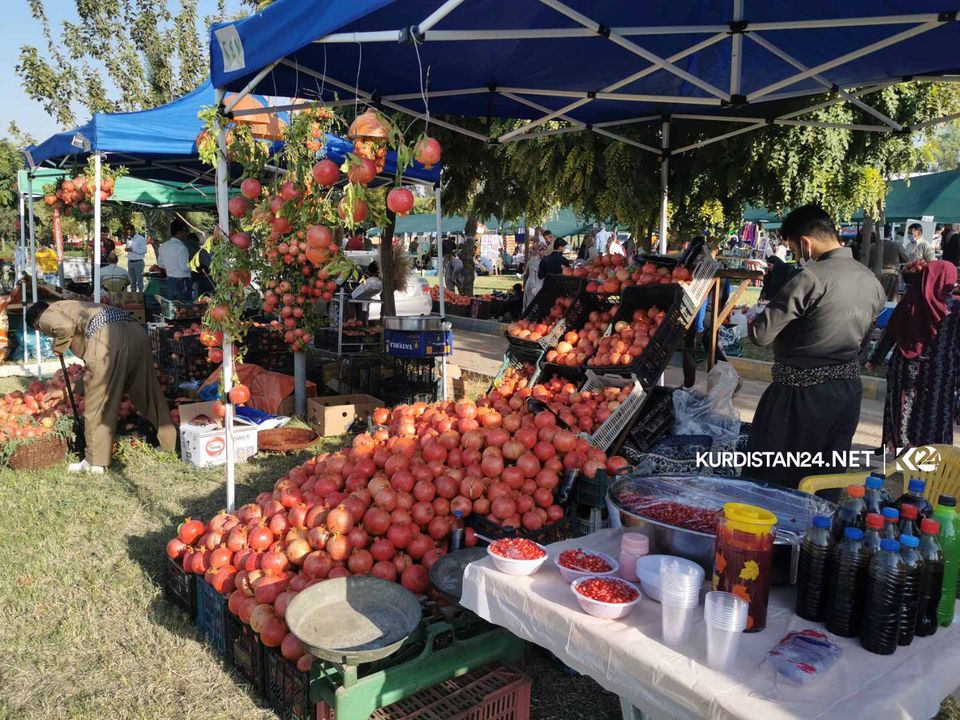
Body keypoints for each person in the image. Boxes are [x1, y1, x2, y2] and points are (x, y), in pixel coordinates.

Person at [745, 205, 885, 489]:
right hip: (846, 393)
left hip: (799, 397)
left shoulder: (811, 278)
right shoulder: (871, 280)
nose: (797, 257)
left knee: (776, 481)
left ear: (805, 243)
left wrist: (754, 317)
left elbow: (761, 334)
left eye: (795, 250)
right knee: (824, 480)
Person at [25, 300, 176, 473]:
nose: (47, 335)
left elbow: (65, 327)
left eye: (43, 332)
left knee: (98, 403)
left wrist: (58, 347)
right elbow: (98, 372)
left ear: (38, 325)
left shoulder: (47, 314)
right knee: (149, 393)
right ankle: (170, 444)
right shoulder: (72, 305)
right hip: (136, 333)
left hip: (108, 339)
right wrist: (66, 391)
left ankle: (94, 462)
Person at [867, 260, 960, 450]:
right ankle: (933, 456)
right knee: (935, 413)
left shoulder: (910, 302)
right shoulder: (955, 308)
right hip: (941, 371)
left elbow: (890, 334)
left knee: (905, 413)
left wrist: (875, 359)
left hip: (906, 367)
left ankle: (904, 456)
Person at [158, 220, 193, 302]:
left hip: (170, 279)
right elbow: (184, 267)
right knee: (184, 307)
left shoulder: (163, 246)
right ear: (179, 232)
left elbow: (161, 264)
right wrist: (194, 266)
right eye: (186, 231)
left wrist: (171, 268)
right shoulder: (181, 247)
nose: (187, 234)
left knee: (172, 307)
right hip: (182, 280)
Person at [522, 242, 547, 311]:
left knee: (531, 304)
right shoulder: (535, 261)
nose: (545, 253)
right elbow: (532, 275)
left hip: (533, 283)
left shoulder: (534, 260)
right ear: (539, 251)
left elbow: (525, 274)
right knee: (531, 304)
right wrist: (533, 287)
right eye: (543, 251)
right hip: (534, 284)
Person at [124, 224, 148, 292]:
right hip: (130, 262)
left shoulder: (141, 238)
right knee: (132, 282)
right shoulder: (129, 238)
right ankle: (133, 298)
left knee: (140, 282)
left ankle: (141, 298)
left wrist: (133, 250)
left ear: (133, 230)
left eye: (129, 232)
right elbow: (128, 247)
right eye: (127, 232)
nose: (128, 233)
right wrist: (127, 249)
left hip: (138, 262)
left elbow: (144, 250)